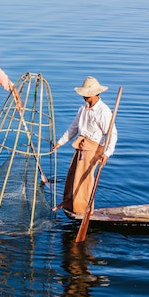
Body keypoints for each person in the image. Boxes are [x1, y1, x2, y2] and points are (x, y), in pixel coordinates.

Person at [52, 76, 117, 214]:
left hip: (93, 148)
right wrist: (60, 142)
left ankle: (83, 209)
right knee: (73, 175)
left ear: (94, 93)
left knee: (84, 179)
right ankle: (70, 203)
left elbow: (111, 134)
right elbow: (73, 128)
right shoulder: (83, 108)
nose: (84, 97)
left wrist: (106, 153)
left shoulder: (103, 111)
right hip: (81, 146)